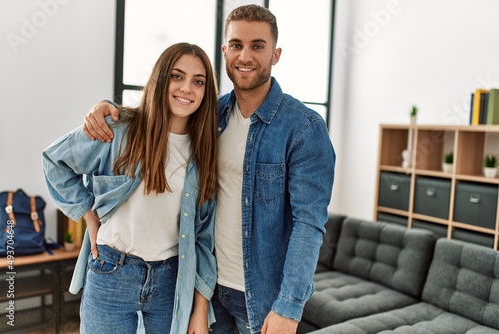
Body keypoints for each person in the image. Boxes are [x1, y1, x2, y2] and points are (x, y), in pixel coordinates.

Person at [82, 4, 336, 334]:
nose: (245, 56)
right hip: (206, 291)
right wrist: (110, 111)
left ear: (276, 54)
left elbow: (309, 222)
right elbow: (160, 114)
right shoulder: (209, 116)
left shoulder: (303, 128)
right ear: (224, 51)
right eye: (236, 45)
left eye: (257, 46)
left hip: (260, 299)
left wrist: (289, 304)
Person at [42, 42, 219, 334]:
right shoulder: (119, 129)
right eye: (177, 76)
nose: (187, 88)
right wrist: (88, 214)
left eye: (198, 81)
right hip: (112, 273)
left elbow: (204, 237)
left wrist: (200, 307)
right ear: (161, 79)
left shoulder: (205, 151)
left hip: (171, 282)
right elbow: (54, 161)